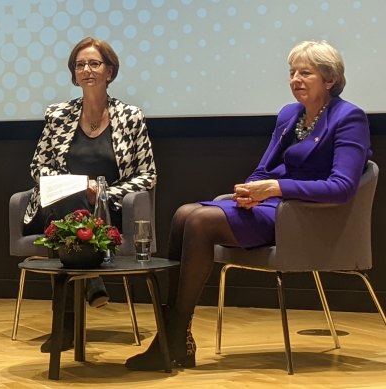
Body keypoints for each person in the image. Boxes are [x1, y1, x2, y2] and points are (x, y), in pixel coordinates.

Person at [125, 40, 372, 370]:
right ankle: (174, 335)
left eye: (306, 73)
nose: (295, 79)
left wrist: (276, 188)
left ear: (329, 79)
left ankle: (172, 337)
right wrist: (251, 189)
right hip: (272, 206)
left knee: (200, 222)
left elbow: (341, 188)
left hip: (302, 218)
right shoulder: (290, 114)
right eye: (292, 72)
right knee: (184, 214)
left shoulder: (349, 118)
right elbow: (263, 168)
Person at [24, 36, 157, 352]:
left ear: (109, 71)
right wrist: (74, 185)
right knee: (67, 198)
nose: (86, 70)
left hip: (107, 212)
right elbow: (38, 167)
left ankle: (66, 325)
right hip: (53, 205)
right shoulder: (58, 115)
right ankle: (93, 283)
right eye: (79, 65)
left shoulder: (130, 116)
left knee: (69, 218)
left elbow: (148, 175)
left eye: (94, 63)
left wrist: (103, 191)